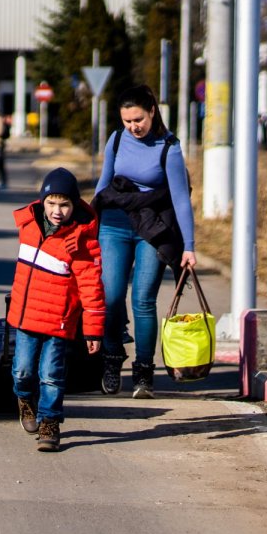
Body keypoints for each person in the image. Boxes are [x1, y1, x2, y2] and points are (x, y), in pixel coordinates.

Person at [91, 84, 196, 399]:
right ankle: (112, 360)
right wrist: (88, 225)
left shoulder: (169, 147)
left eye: (138, 119)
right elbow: (103, 186)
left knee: (143, 300)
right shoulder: (117, 139)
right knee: (111, 297)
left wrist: (189, 246)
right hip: (114, 224)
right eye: (127, 121)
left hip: (152, 229)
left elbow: (181, 199)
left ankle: (144, 373)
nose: (133, 127)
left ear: (152, 111)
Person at [7, 167, 104, 452]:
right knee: (22, 371)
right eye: (51, 203)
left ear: (75, 205)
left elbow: (92, 287)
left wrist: (93, 330)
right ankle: (25, 399)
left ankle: (49, 422)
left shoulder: (81, 241)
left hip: (59, 322)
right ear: (42, 202)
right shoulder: (29, 226)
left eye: (64, 205)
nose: (57, 211)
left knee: (51, 374)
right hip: (26, 316)